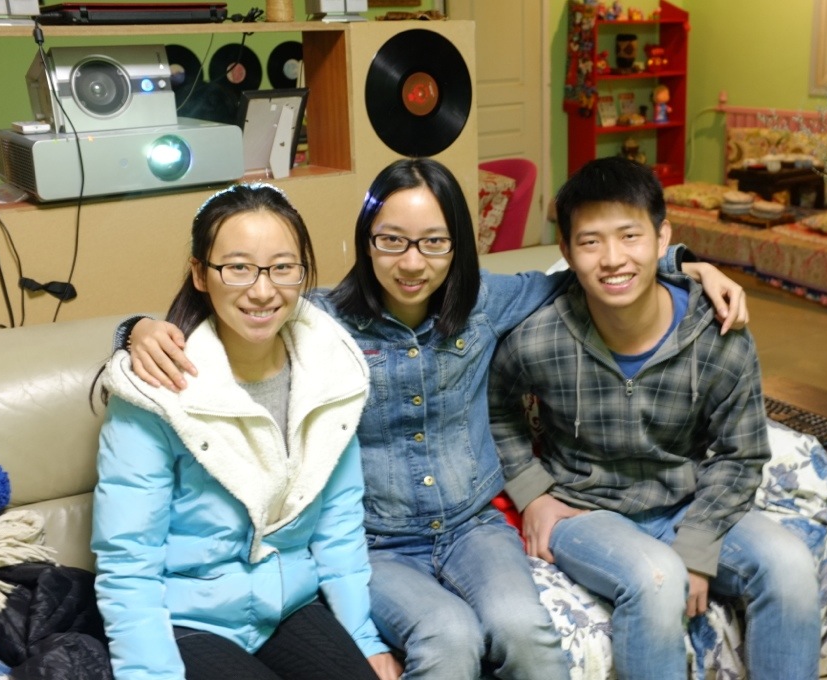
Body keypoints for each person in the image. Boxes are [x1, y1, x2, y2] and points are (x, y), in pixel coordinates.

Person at [120, 158, 749, 679]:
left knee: (525, 633)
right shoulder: (319, 319)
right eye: (391, 240)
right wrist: (136, 329)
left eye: (433, 242)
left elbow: (588, 272)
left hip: (475, 529)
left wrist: (684, 264)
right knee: (448, 636)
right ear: (367, 242)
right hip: (377, 542)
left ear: (457, 246)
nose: (412, 262)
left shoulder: (485, 303)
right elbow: (238, 306)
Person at [487, 156, 821, 680]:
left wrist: (698, 545)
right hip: (585, 510)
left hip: (686, 501)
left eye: (630, 236)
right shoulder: (540, 336)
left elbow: (742, 454)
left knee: (790, 565)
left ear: (663, 238)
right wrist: (533, 492)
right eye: (591, 241)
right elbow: (495, 408)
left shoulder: (718, 334)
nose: (612, 259)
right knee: (656, 577)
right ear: (566, 251)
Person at [91, 183, 401, 680]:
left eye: (282, 267)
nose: (262, 290)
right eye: (238, 268)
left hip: (289, 605)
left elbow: (338, 523)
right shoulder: (153, 390)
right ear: (200, 273)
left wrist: (362, 637)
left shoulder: (332, 373)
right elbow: (128, 560)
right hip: (187, 619)